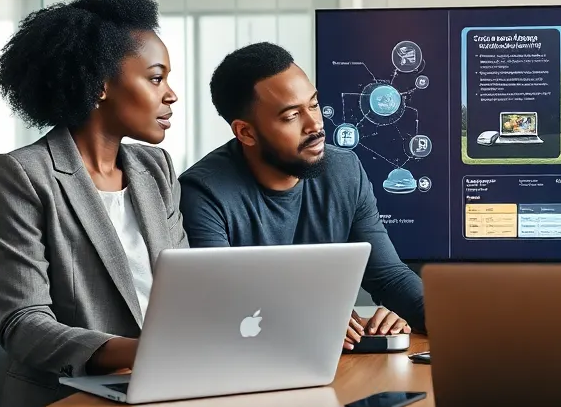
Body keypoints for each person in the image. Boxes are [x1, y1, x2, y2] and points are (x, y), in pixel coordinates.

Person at [0, 0, 186, 407]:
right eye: (155, 78)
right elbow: (24, 325)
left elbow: (190, 288)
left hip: (167, 392)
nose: (171, 95)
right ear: (101, 84)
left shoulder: (157, 169)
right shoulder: (22, 175)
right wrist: (141, 351)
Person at [179, 42, 423, 347]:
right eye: (291, 116)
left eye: (314, 104)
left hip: (328, 359)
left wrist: (454, 322)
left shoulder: (345, 170)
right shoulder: (202, 193)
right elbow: (221, 305)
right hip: (250, 362)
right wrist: (312, 318)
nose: (316, 124)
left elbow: (389, 276)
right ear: (246, 132)